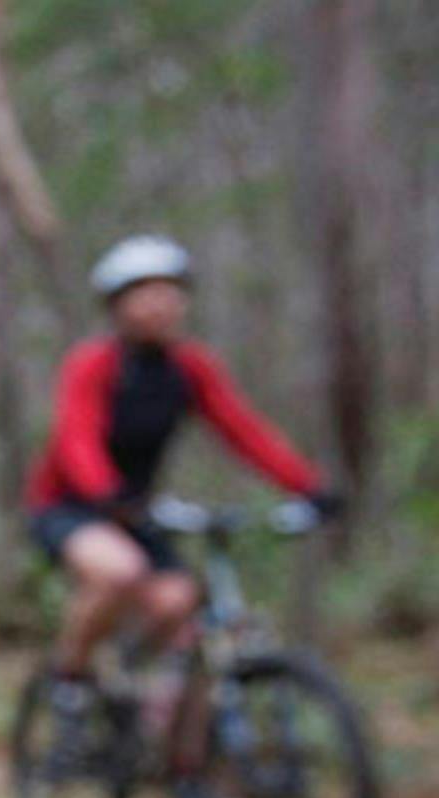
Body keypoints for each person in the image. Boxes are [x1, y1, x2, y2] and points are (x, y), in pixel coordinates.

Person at [26, 235, 339, 767]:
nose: (160, 304)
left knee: (179, 604)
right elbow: (75, 436)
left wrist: (306, 484)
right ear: (117, 306)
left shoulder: (191, 369)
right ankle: (70, 689)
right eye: (144, 293)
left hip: (135, 510)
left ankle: (147, 713)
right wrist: (105, 492)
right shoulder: (94, 364)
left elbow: (243, 430)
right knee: (118, 572)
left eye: (170, 292)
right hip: (71, 506)